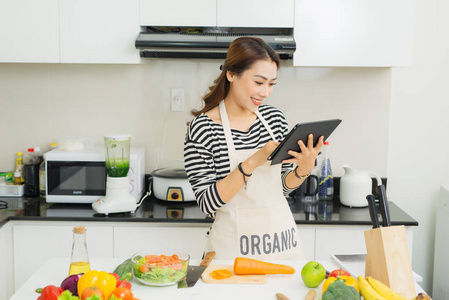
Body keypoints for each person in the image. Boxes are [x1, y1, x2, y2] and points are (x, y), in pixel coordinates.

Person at [184, 37, 324, 260]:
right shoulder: (203, 129)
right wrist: (251, 162)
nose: (266, 92)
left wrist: (303, 170)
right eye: (259, 83)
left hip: (282, 247)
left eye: (271, 84)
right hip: (230, 255)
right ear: (231, 74)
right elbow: (207, 203)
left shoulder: (274, 118)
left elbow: (282, 187)